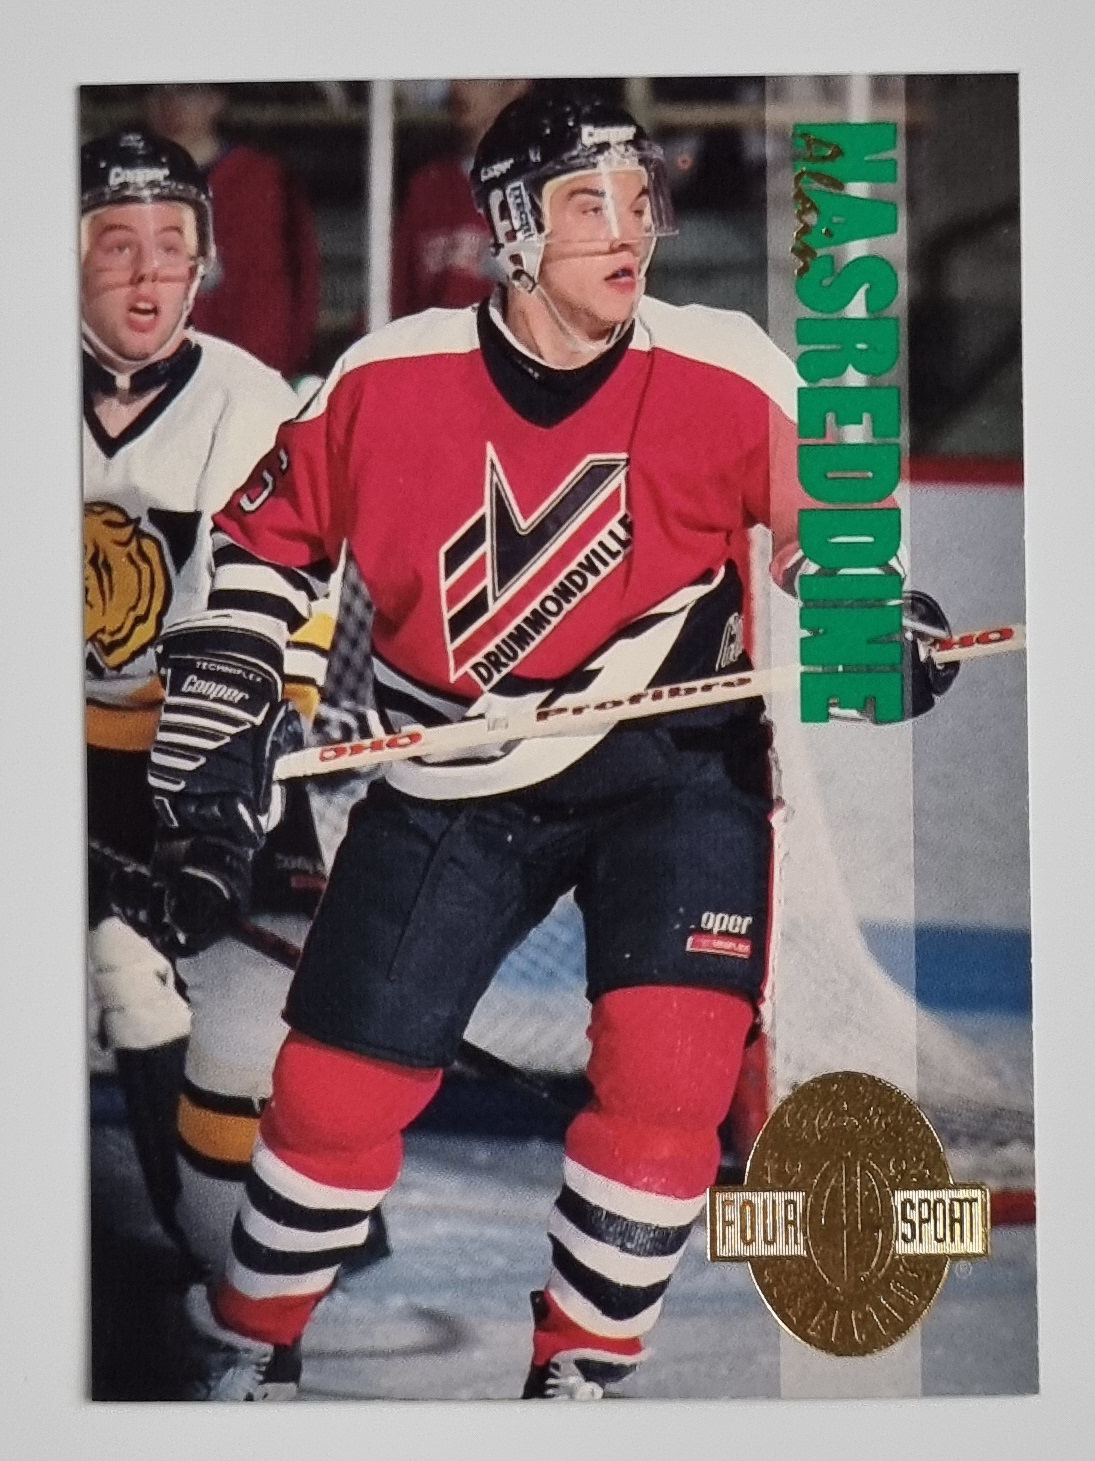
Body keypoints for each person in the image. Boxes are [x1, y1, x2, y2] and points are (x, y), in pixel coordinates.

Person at [145, 86, 958, 1400]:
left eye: (639, 199)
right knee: (335, 1093)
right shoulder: (388, 376)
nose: (627, 229)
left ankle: (577, 1371)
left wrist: (883, 622)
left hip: (676, 765)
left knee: (672, 1081)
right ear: (514, 230)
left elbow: (828, 532)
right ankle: (251, 1338)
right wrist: (229, 695)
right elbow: (261, 547)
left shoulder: (722, 362)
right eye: (589, 204)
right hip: (451, 769)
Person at [82, 127, 339, 1267]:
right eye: (117, 245)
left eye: (172, 245)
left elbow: (271, 611)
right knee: (126, 977)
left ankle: (242, 1273)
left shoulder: (248, 400)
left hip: (211, 749)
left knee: (244, 1017)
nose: (148, 274)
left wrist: (215, 814)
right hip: (63, 751)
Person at [145, 85, 320, 377]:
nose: (170, 104)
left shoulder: (263, 179)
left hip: (250, 366)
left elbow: (301, 279)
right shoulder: (130, 187)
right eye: (158, 91)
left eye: (187, 92)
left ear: (216, 100)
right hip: (159, 373)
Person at [390, 78, 529, 316]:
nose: (458, 87)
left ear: (517, 83)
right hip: (436, 337)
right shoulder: (428, 185)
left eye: (474, 77)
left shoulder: (539, 182)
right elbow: (395, 295)